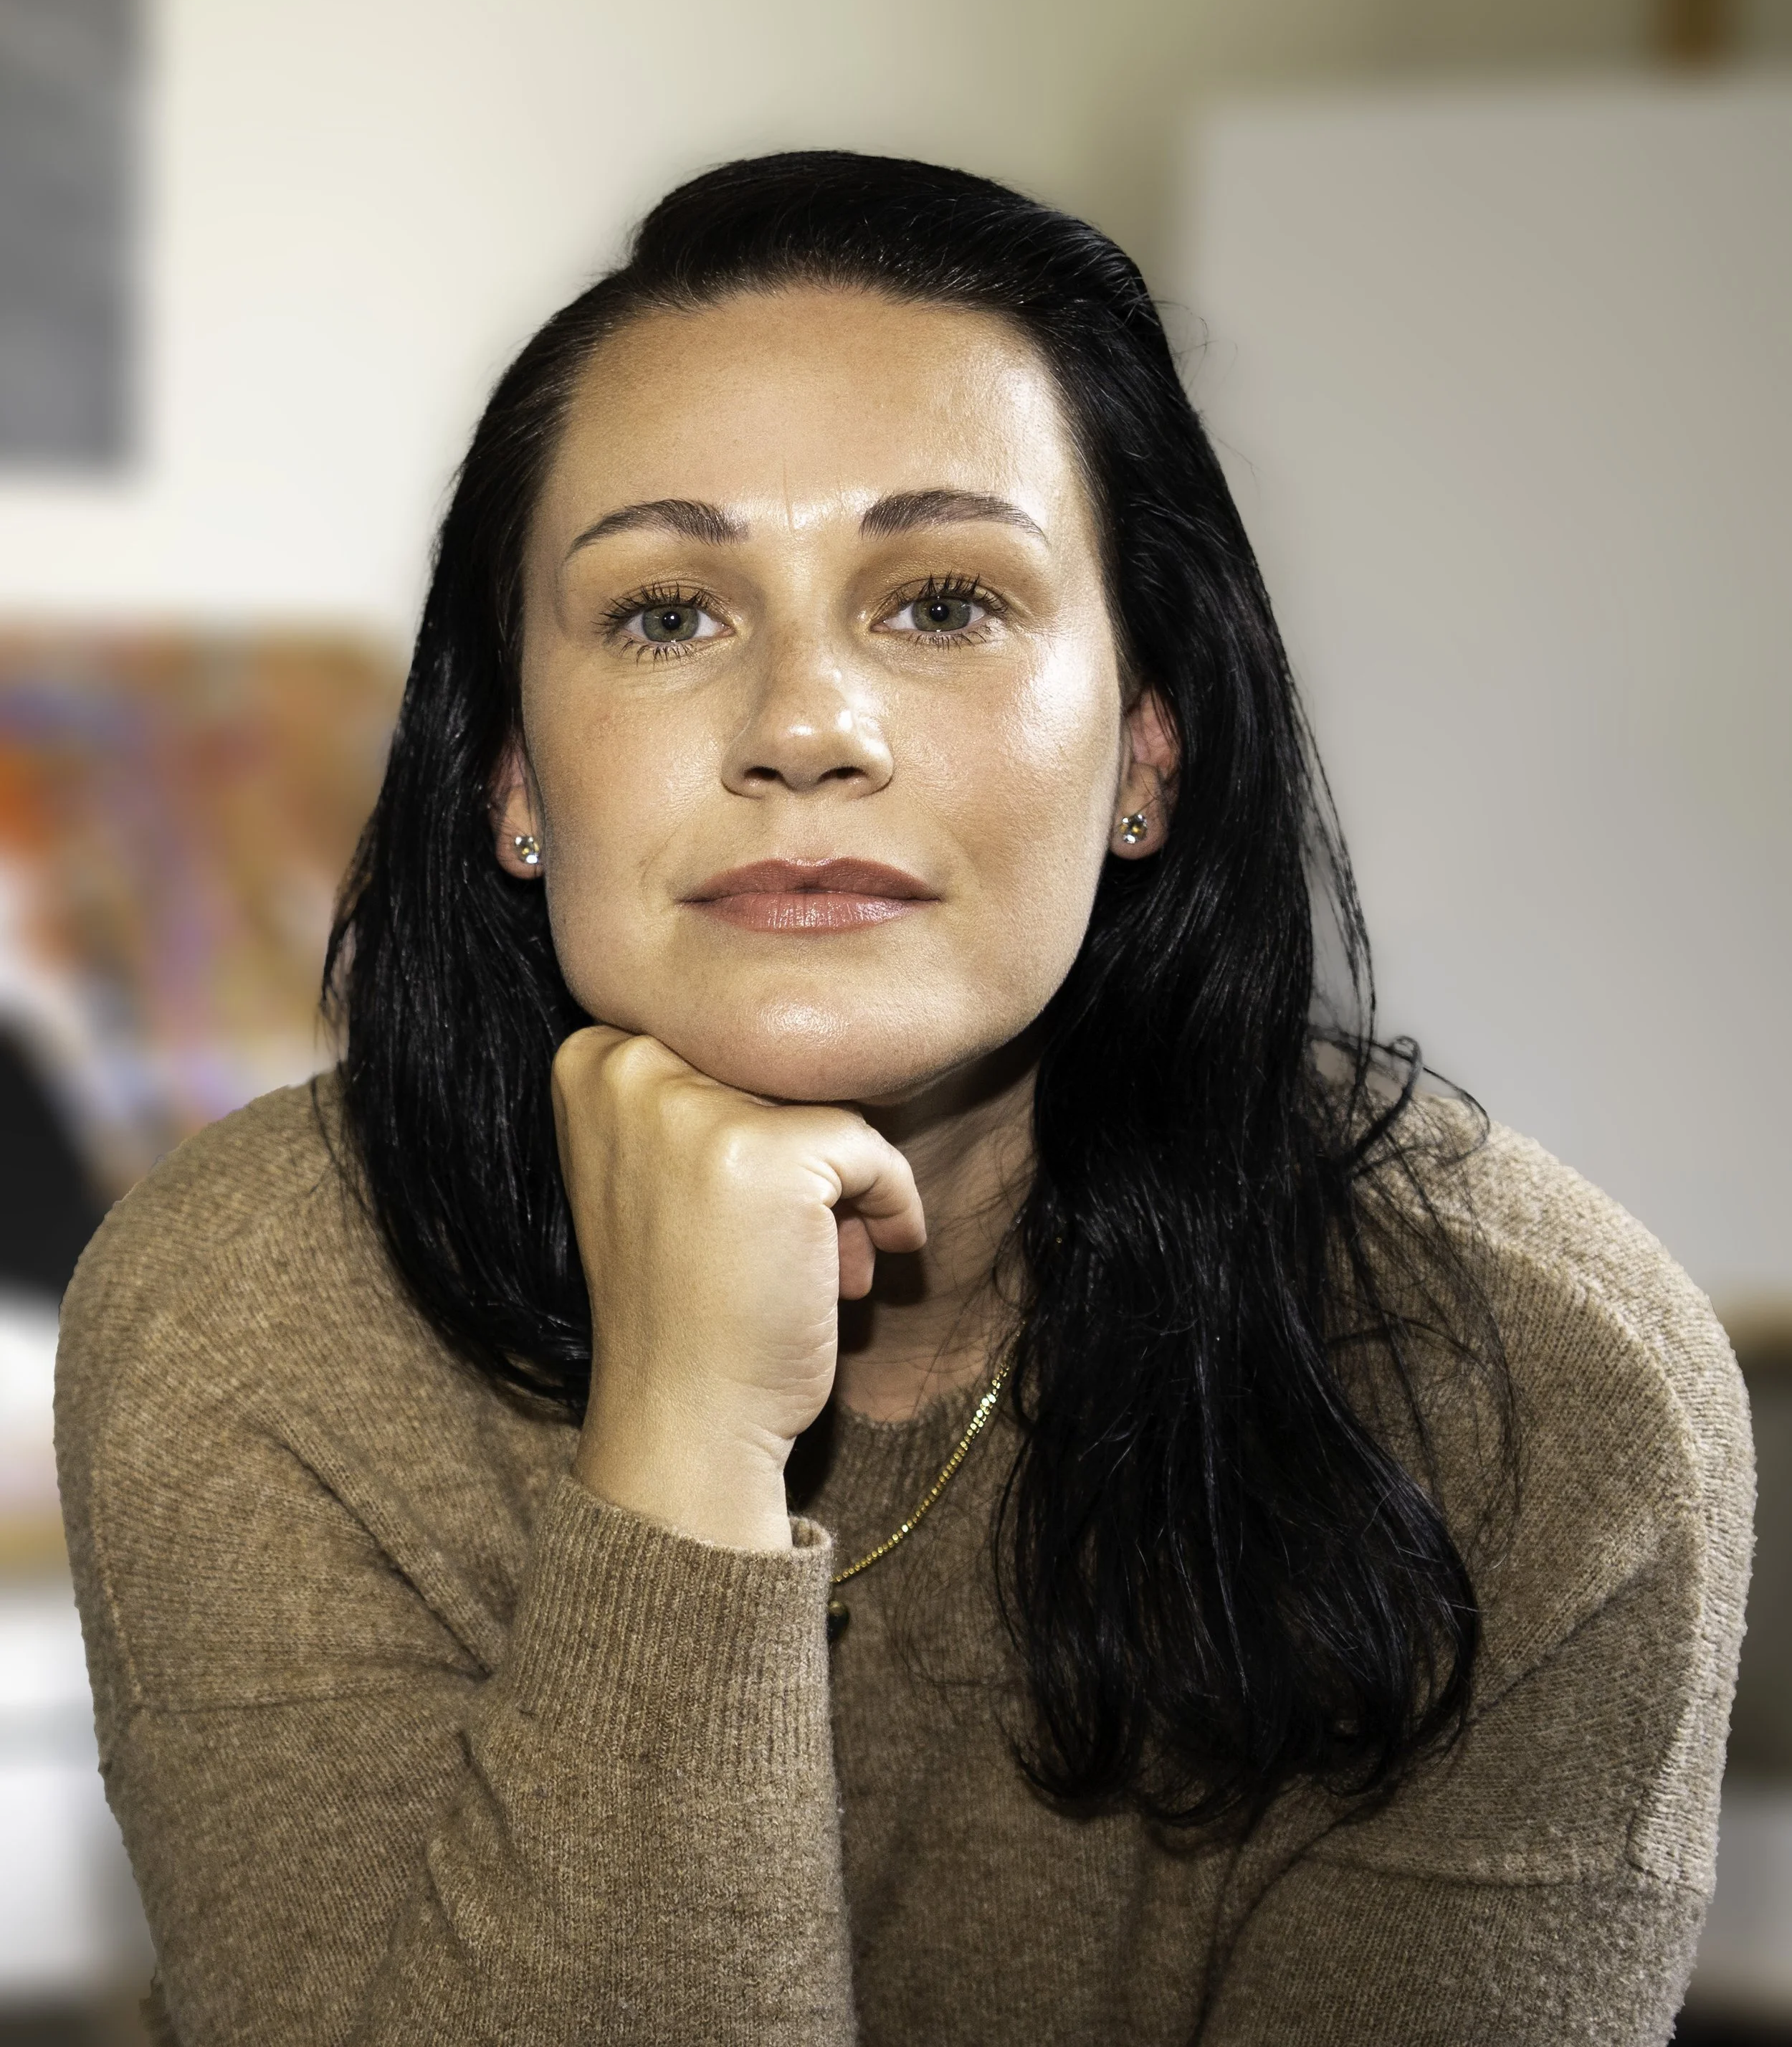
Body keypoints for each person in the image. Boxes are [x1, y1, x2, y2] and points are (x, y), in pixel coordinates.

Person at [55, 153, 1751, 2047]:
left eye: (942, 602)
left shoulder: (1537, 1389)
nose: (802, 724)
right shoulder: (250, 1317)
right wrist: (687, 1446)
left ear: (1145, 756)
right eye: (664, 613)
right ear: (513, 781)